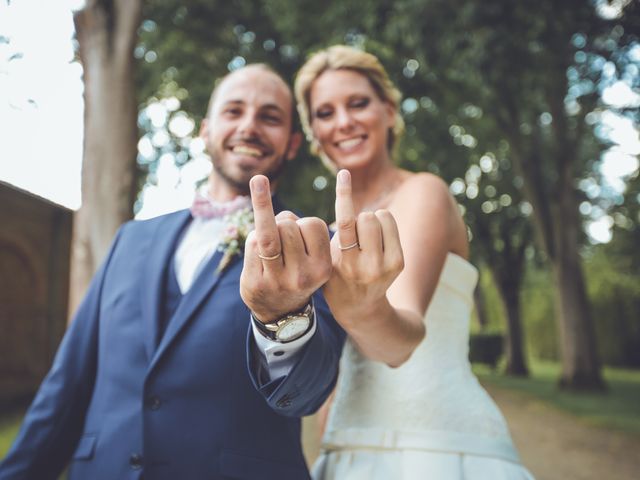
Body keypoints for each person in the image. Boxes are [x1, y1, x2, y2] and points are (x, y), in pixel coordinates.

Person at [0, 64, 345, 480]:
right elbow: (67, 384)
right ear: (205, 129)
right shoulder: (130, 239)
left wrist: (280, 317)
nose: (249, 126)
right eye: (233, 111)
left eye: (269, 117)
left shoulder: (315, 247)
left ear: (291, 144)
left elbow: (305, 393)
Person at [294, 45, 535, 479]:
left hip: (436, 450)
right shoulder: (329, 231)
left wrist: (358, 307)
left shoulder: (425, 192)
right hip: (346, 451)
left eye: (358, 103)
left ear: (389, 111)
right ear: (313, 131)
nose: (343, 122)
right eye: (325, 113)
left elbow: (396, 342)